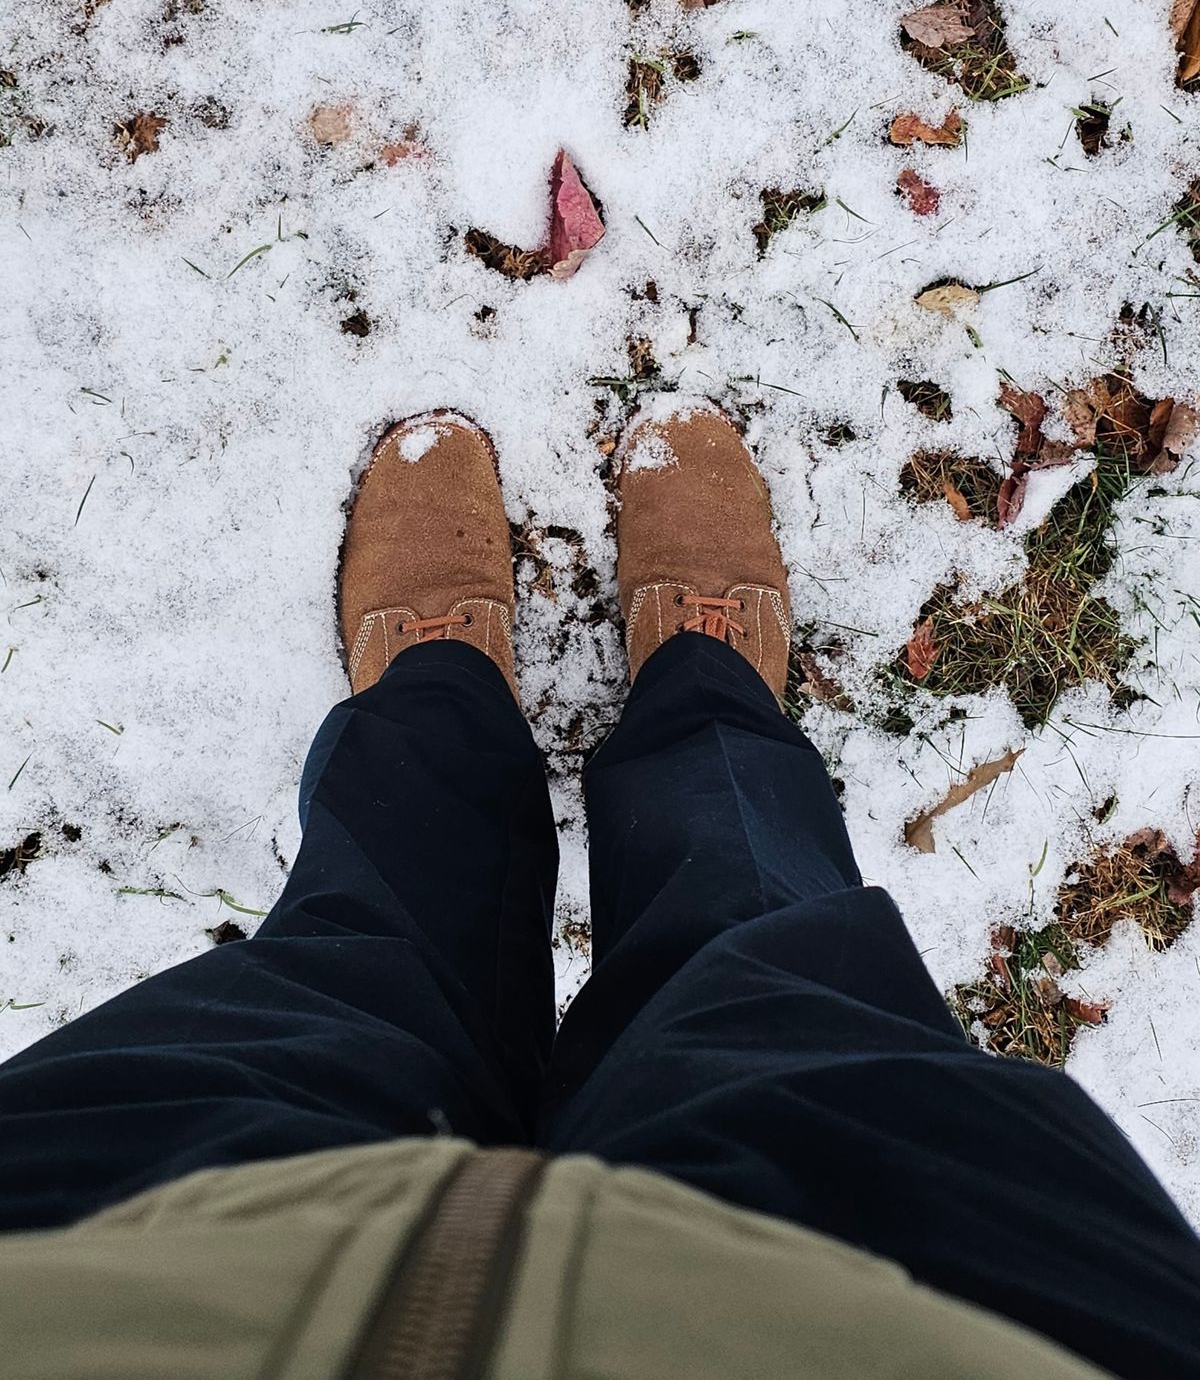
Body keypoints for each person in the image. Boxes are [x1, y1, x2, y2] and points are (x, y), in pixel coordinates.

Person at [0, 406, 1198, 1380]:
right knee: (761, 963)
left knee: (359, 956)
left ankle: (438, 684)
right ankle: (706, 680)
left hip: (106, 1253)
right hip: (940, 1294)